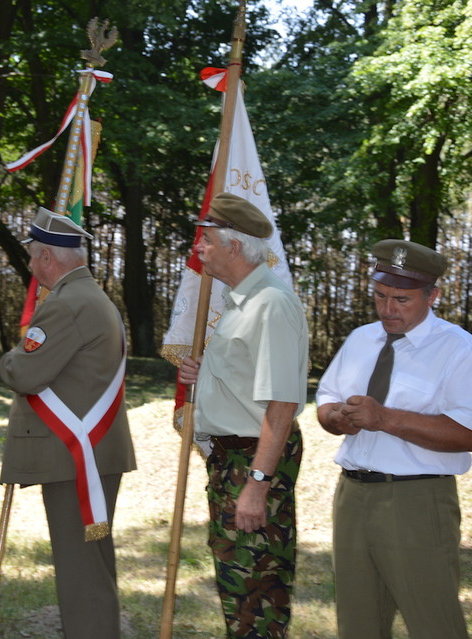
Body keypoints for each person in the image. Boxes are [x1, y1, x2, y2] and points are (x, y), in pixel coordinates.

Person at [315, 239, 472, 639]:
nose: (387, 309)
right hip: (353, 496)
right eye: (379, 296)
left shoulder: (459, 350)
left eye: (401, 299)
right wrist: (335, 418)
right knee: (358, 623)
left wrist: (387, 419)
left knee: (434, 622)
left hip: (416, 501)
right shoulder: (361, 339)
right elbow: (325, 398)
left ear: (434, 296)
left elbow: (468, 434)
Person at [0, 208, 136, 639]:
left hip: (73, 454)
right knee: (90, 563)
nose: (33, 267)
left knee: (81, 572)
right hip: (88, 453)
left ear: (45, 259)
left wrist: (8, 357)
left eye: (34, 258)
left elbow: (22, 372)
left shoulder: (66, 304)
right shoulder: (92, 297)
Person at [177, 193, 308, 638]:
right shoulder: (241, 302)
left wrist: (256, 484)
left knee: (257, 589)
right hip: (232, 460)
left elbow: (282, 404)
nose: (199, 248)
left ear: (234, 247)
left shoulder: (270, 304)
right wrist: (205, 372)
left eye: (207, 239)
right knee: (240, 587)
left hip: (254, 460)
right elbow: (247, 376)